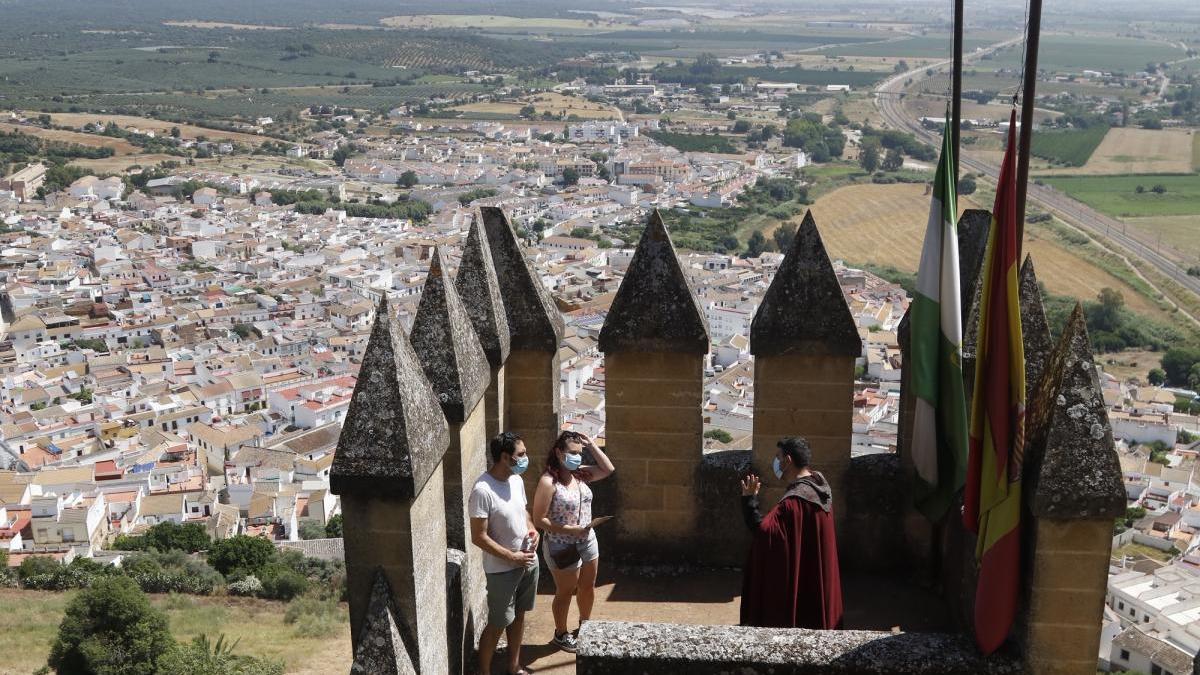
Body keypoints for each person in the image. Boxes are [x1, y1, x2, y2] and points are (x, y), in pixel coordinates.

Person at [739, 436, 843, 629]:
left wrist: (749, 500)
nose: (776, 461)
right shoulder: (819, 486)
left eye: (778, 457)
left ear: (787, 461)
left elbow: (764, 533)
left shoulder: (793, 503)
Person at [531, 431, 615, 653]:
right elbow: (539, 519)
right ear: (559, 452)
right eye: (573, 452)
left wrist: (591, 446)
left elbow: (608, 469)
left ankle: (585, 624)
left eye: (580, 453)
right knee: (565, 590)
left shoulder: (580, 475)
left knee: (588, 586)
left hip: (587, 539)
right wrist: (570, 530)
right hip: (561, 544)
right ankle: (560, 633)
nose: (578, 457)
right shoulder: (548, 482)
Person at [469, 431, 539, 675]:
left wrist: (532, 531)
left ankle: (513, 666)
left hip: (528, 562)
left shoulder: (516, 481)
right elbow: (478, 537)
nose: (526, 458)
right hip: (502, 570)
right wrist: (511, 557)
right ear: (505, 457)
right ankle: (484, 672)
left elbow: (525, 513)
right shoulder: (482, 490)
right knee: (498, 623)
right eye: (521, 454)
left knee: (519, 616)